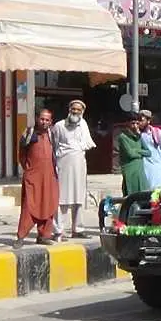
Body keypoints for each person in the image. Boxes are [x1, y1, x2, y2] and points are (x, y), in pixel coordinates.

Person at [51, 100, 96, 240]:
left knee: (79, 197)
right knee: (62, 198)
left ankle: (78, 229)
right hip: (63, 165)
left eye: (78, 109)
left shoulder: (83, 124)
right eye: (73, 109)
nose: (75, 111)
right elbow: (54, 145)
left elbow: (87, 143)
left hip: (79, 165)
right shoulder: (59, 125)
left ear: (82, 112)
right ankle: (58, 231)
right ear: (69, 109)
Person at [13, 109, 58, 249]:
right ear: (37, 118)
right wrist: (28, 169)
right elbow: (22, 154)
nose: (44, 122)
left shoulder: (53, 134)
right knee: (29, 206)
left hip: (50, 176)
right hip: (33, 176)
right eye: (42, 119)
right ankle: (21, 236)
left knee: (49, 204)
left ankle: (44, 236)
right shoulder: (29, 133)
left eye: (47, 120)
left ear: (51, 122)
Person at [117, 113, 151, 196]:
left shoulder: (139, 137)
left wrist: (136, 150)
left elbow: (149, 152)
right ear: (127, 124)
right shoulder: (123, 137)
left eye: (137, 123)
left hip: (140, 171)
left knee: (143, 194)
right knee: (131, 195)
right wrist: (140, 154)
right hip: (130, 171)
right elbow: (130, 154)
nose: (135, 126)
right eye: (133, 123)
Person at [138, 110, 161, 189]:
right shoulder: (138, 134)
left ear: (148, 121)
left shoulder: (157, 132)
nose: (139, 123)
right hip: (144, 169)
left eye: (142, 121)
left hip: (157, 169)